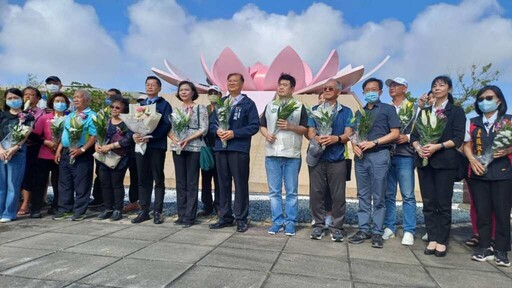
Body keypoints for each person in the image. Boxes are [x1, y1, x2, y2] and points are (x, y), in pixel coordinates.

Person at [411, 75, 466, 257]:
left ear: (449, 89)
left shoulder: (456, 111)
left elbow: (458, 138)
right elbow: (414, 136)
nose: (437, 88)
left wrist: (437, 146)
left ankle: (442, 240)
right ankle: (432, 237)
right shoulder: (425, 111)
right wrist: (419, 148)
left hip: (445, 162)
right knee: (428, 202)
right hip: (425, 162)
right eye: (434, 85)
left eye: (441, 85)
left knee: (443, 203)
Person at [348, 78, 400, 248]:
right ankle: (364, 229)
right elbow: (353, 134)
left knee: (379, 195)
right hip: (361, 158)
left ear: (380, 92)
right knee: (362, 195)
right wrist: (354, 146)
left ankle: (377, 231)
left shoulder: (388, 109)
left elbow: (395, 134)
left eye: (374, 90)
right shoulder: (359, 113)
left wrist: (374, 142)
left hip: (379, 155)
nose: (370, 92)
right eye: (367, 90)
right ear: (363, 93)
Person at [464, 85, 511, 266]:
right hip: (479, 173)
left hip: (502, 172)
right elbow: (466, 145)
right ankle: (484, 246)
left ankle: (501, 249)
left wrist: (508, 149)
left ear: (499, 100)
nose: (485, 102)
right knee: (482, 211)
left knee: (502, 212)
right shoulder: (473, 122)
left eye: (489, 98)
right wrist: (472, 160)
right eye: (481, 99)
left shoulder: (508, 121)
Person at [208, 73, 259, 232]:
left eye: (235, 81)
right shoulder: (221, 102)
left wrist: (234, 133)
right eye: (229, 80)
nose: (231, 83)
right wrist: (217, 131)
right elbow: (211, 124)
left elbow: (254, 126)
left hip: (238, 149)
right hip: (221, 149)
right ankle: (225, 216)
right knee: (222, 184)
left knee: (240, 184)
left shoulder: (248, 104)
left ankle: (241, 218)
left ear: (242, 84)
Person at [260, 74, 308, 236]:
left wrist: (291, 126)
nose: (280, 87)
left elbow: (305, 129)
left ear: (292, 88)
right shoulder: (270, 105)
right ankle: (277, 221)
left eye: (285, 85)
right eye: (279, 84)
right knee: (274, 191)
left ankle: (290, 223)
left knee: (291, 191)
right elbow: (262, 126)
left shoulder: (299, 106)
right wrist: (266, 134)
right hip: (272, 153)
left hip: (292, 154)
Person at [306, 79, 353, 241]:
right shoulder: (314, 110)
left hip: (337, 159)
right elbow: (310, 132)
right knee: (316, 193)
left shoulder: (346, 112)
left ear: (338, 92)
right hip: (318, 158)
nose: (326, 90)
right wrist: (317, 138)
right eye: (324, 88)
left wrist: (336, 138)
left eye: (330, 88)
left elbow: (348, 134)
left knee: (338, 195)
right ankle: (318, 225)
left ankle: (337, 227)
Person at [131, 76, 172, 224]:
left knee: (157, 178)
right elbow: (132, 123)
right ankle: (144, 210)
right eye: (147, 84)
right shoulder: (140, 104)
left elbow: (166, 125)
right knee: (142, 178)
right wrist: (134, 135)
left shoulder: (164, 104)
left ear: (159, 88)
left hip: (156, 145)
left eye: (153, 85)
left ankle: (158, 211)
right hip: (140, 145)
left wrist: (151, 136)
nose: (149, 87)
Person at [382, 77, 417, 245]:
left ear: (405, 88)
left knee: (408, 194)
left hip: (405, 155)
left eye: (396, 85)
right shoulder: (385, 108)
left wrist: (407, 137)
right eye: (390, 85)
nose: (392, 88)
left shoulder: (414, 108)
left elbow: (422, 131)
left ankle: (409, 230)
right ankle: (389, 226)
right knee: (388, 194)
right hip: (387, 155)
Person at [168, 81, 208, 227]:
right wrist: (175, 139)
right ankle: (181, 214)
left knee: (191, 182)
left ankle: (190, 216)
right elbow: (170, 129)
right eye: (181, 90)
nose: (183, 92)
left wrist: (187, 139)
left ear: (193, 92)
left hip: (194, 147)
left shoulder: (200, 108)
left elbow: (204, 128)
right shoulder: (175, 110)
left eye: (187, 89)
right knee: (180, 181)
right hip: (178, 147)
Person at [53, 89, 97, 221]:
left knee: (81, 182)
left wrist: (82, 149)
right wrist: (59, 150)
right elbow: (64, 134)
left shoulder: (92, 116)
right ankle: (65, 209)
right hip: (67, 151)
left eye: (79, 97)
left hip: (82, 152)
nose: (76, 99)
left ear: (87, 100)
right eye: (74, 97)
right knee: (65, 182)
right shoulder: (70, 115)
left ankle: (80, 211)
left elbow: (94, 135)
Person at [31, 92, 70, 218]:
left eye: (62, 101)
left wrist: (60, 144)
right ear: (52, 103)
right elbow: (34, 135)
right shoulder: (44, 118)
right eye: (57, 101)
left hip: (61, 155)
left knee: (59, 182)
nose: (60, 103)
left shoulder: (70, 119)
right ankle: (36, 208)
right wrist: (46, 142)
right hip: (44, 155)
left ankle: (57, 206)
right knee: (40, 182)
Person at [95, 96, 134, 221]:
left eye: (118, 107)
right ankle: (108, 208)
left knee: (116, 184)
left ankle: (118, 209)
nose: (114, 109)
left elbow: (128, 140)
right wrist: (98, 145)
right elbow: (97, 135)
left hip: (119, 157)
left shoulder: (126, 123)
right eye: (112, 107)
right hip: (104, 157)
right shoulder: (105, 121)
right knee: (104, 183)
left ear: (123, 110)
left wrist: (111, 146)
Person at [0, 88, 34, 222]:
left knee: (13, 184)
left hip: (17, 153)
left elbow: (25, 134)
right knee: (1, 184)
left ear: (21, 99)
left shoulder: (28, 117)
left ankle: (9, 213)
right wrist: (2, 150)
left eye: (15, 98)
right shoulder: (2, 115)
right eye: (10, 98)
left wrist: (15, 148)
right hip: (1, 152)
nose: (13, 101)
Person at [18, 87, 45, 216]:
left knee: (29, 175)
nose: (29, 97)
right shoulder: (18, 111)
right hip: (18, 147)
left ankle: (27, 203)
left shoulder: (42, 113)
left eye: (32, 95)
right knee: (18, 176)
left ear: (38, 98)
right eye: (26, 95)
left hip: (34, 146)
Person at [198, 85, 222, 217]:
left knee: (219, 178)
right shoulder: (204, 109)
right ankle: (207, 205)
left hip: (219, 147)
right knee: (205, 178)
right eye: (210, 93)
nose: (213, 95)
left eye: (215, 93)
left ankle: (219, 205)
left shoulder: (224, 108)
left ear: (220, 95)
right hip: (206, 147)